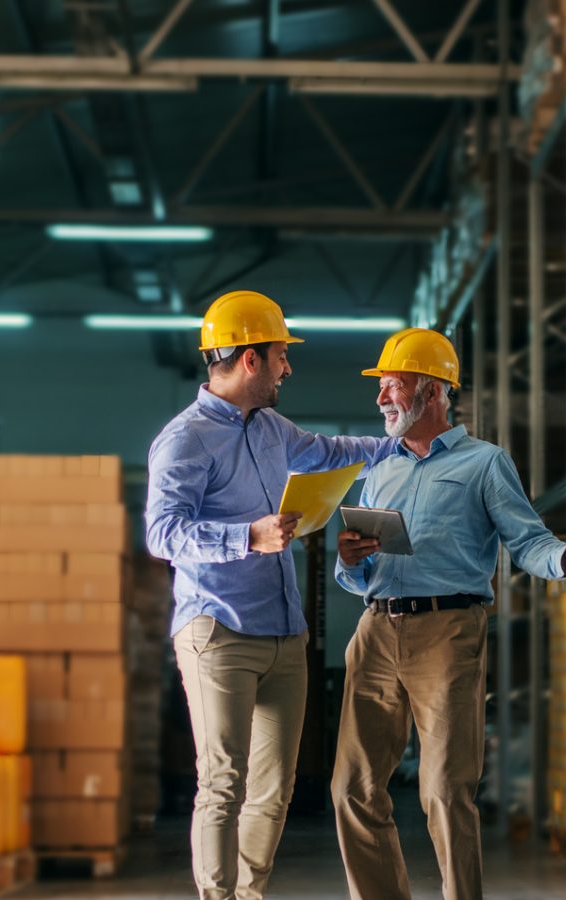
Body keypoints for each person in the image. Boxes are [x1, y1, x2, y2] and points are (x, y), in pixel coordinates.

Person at [330, 328, 566, 900]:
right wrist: (350, 560)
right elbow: (355, 572)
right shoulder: (378, 468)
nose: (381, 398)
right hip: (375, 629)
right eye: (381, 388)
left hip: (447, 631)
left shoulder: (485, 464)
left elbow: (526, 542)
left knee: (443, 789)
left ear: (432, 392)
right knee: (352, 789)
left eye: (393, 386)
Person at [145, 290, 400, 900]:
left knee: (273, 788)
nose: (289, 367)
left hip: (284, 635)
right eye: (282, 355)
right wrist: (247, 536)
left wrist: (403, 444)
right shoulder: (183, 439)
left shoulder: (270, 428)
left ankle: (249, 894)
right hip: (218, 631)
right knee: (223, 783)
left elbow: (332, 452)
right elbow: (162, 533)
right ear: (252, 359)